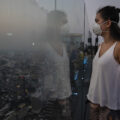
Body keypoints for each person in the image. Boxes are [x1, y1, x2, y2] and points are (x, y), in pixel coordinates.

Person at [87, 6, 120, 120]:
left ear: (108, 23)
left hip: (108, 110)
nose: (94, 24)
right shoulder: (100, 46)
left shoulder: (118, 47)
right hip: (94, 105)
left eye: (97, 21)